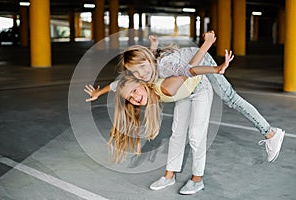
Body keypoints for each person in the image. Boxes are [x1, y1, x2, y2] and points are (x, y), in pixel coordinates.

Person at [84, 32, 284, 194]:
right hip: (184, 84)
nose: (140, 76)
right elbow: (118, 84)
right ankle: (169, 176)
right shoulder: (141, 77)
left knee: (225, 104)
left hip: (197, 71)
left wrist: (209, 51)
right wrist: (98, 92)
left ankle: (269, 133)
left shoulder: (165, 67)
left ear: (148, 62)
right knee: (177, 134)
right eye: (136, 73)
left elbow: (189, 70)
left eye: (143, 69)